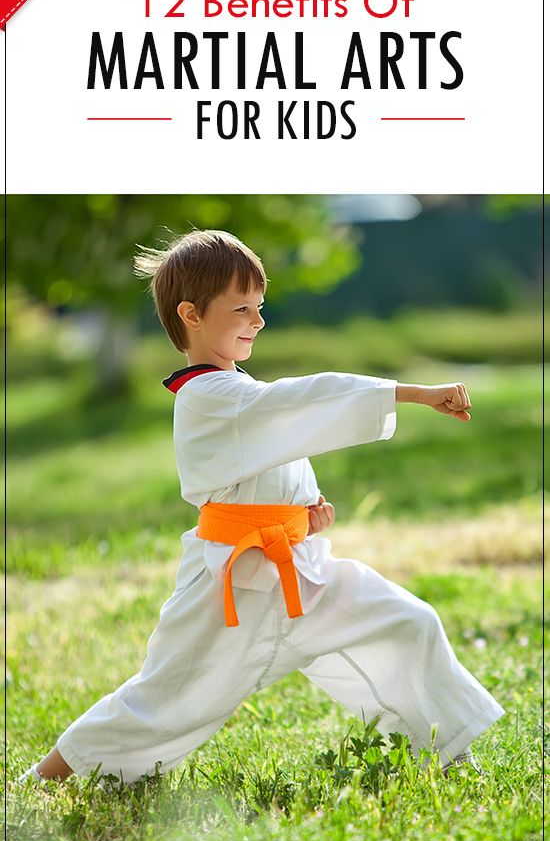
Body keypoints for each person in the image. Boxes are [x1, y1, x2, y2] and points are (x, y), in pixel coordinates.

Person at [18, 229, 504, 788]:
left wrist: (306, 515)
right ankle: (41, 778)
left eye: (261, 307)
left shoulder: (235, 386)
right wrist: (412, 392)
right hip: (232, 588)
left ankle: (446, 752)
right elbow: (297, 401)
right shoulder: (208, 396)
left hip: (297, 575)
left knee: (407, 621)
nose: (258, 320)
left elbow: (276, 455)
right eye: (242, 307)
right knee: (165, 698)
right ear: (191, 315)